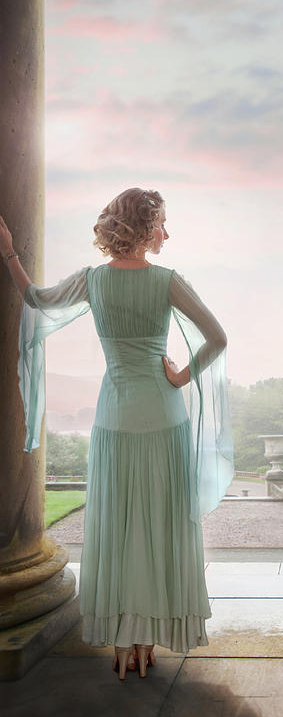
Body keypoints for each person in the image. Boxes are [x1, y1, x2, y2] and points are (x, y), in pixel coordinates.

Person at [0, 188, 234, 679]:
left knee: (121, 527)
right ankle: (147, 638)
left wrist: (8, 254)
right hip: (165, 416)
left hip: (114, 416)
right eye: (162, 223)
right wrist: (180, 377)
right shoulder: (168, 281)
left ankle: (125, 640)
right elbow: (217, 338)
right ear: (144, 227)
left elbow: (36, 299)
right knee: (159, 526)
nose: (167, 233)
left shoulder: (92, 281)